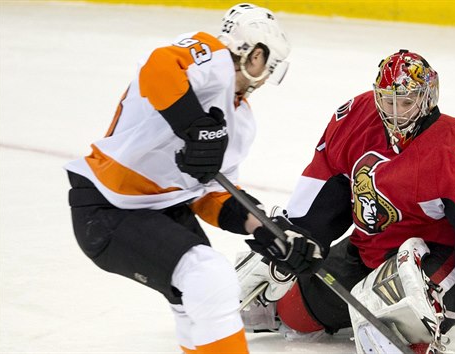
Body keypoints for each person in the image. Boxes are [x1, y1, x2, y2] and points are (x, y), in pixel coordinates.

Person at [236, 49, 455, 354]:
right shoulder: (356, 117)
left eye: (406, 101)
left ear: (427, 96)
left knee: (390, 318)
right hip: (368, 251)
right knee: (296, 311)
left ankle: (420, 333)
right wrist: (299, 233)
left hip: (435, 261)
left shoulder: (453, 145)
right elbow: (328, 185)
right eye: (387, 100)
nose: (396, 112)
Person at [64, 3, 321, 354]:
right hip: (109, 206)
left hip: (165, 211)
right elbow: (158, 65)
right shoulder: (209, 58)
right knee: (209, 276)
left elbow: (212, 193)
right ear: (255, 53)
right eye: (270, 63)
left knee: (200, 301)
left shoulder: (240, 119)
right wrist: (195, 127)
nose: (265, 78)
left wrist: (264, 227)